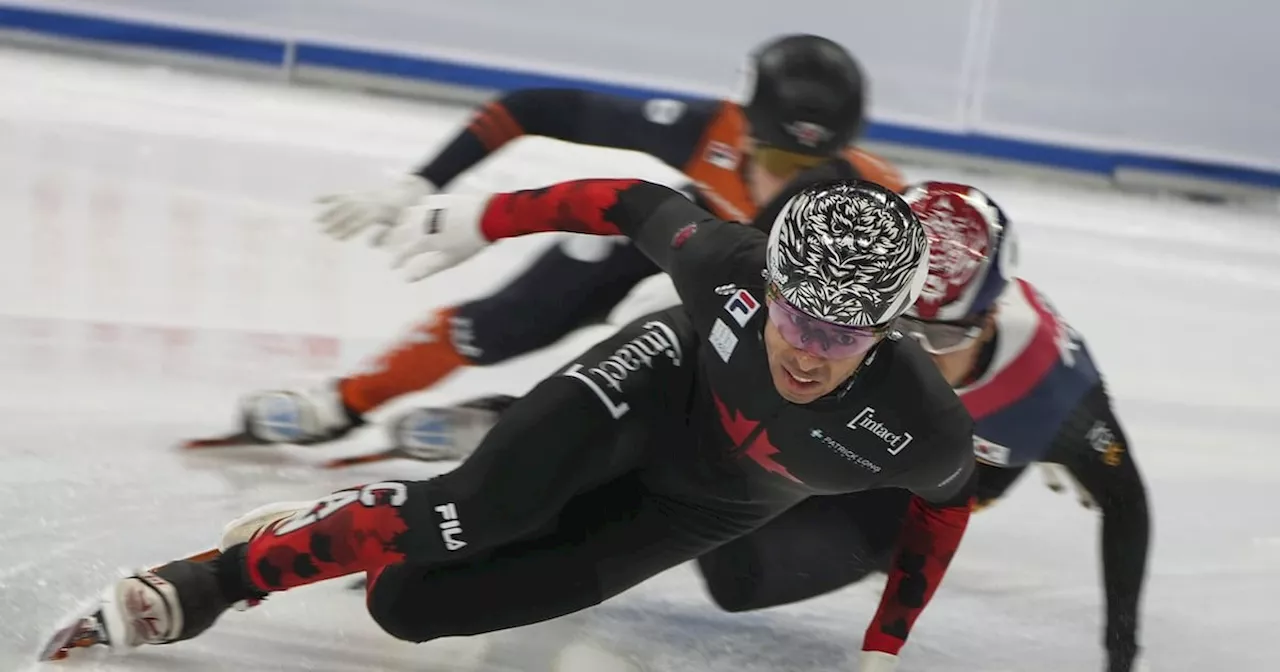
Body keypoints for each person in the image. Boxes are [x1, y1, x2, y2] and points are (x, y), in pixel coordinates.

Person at [49, 177, 975, 672]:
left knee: (412, 605)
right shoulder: (725, 268)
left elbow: (945, 512)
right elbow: (625, 201)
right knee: (470, 511)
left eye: (846, 333)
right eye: (798, 317)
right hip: (659, 384)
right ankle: (211, 583)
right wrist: (479, 219)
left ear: (895, 333)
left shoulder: (923, 429)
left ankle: (339, 521)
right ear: (766, 285)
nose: (810, 352)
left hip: (706, 508)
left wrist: (883, 647)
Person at [367, 181, 1153, 671]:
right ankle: (529, 439)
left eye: (939, 338)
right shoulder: (850, 256)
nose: (907, 353)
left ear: (993, 318)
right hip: (776, 425)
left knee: (739, 577)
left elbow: (1127, 502)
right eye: (892, 326)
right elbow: (722, 236)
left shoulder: (1056, 396)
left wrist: (1121, 654)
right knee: (687, 421)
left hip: (882, 480)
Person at [188, 33, 908, 455]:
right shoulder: (708, 134)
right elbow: (532, 107)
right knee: (511, 314)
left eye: (806, 172)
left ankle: (534, 425)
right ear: (742, 126)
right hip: (690, 234)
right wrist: (420, 183)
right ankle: (349, 399)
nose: (780, 182)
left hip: (766, 314)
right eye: (775, 160)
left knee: (670, 336)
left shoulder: (874, 208)